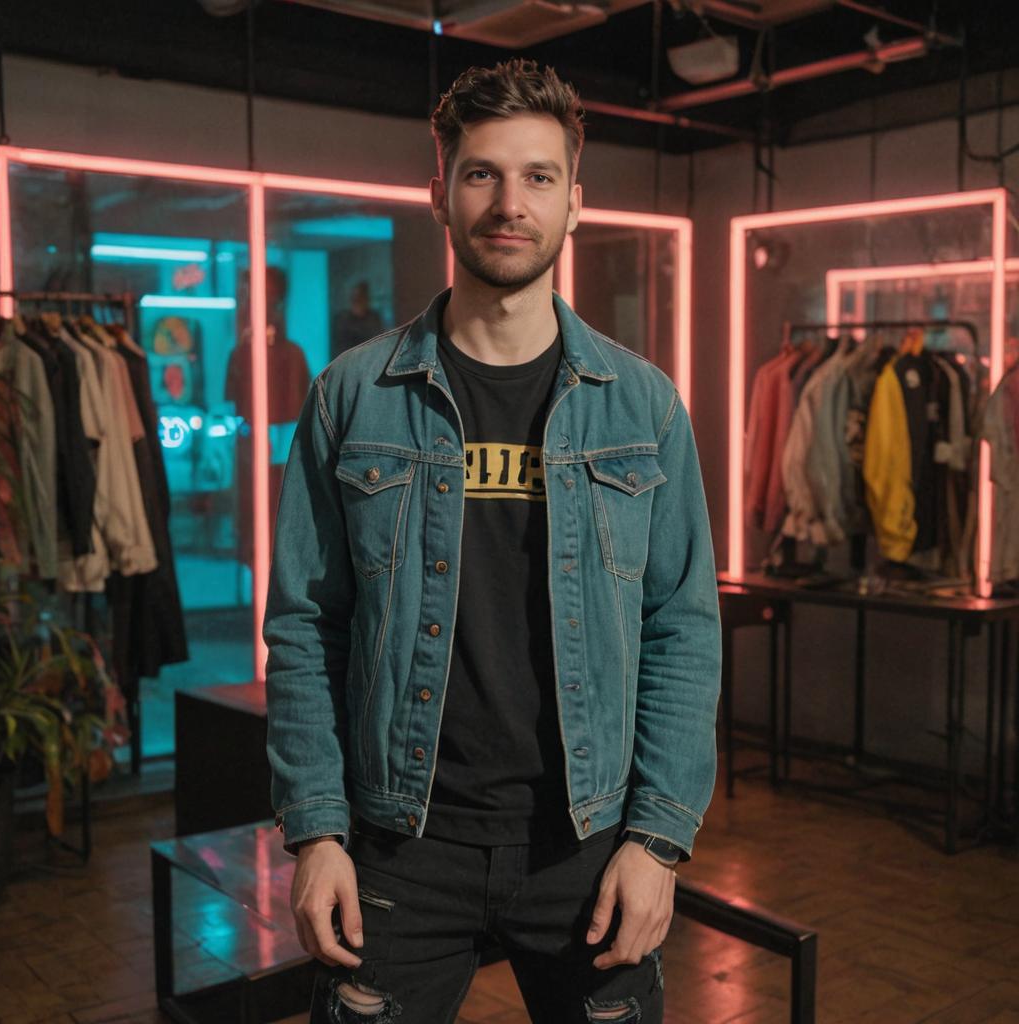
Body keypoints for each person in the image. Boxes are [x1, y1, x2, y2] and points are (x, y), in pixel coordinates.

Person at [264, 59, 721, 1024]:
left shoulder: (643, 406)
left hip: (589, 849)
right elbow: (306, 624)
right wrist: (316, 835)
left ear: (574, 200)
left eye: (538, 176)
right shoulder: (354, 395)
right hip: (398, 844)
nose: (510, 203)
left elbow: (683, 631)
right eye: (482, 173)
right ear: (440, 190)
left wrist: (658, 841)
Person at [332, 280, 384, 357]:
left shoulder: (373, 318)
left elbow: (378, 343)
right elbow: (341, 348)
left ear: (366, 300)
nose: (357, 303)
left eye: (360, 299)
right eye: (355, 300)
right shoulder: (343, 320)